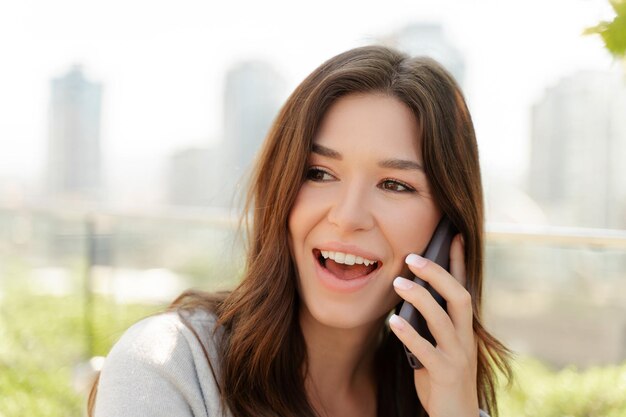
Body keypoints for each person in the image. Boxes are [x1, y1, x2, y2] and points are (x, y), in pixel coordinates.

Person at [88, 45, 511, 417]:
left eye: (395, 185)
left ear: (447, 231)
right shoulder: (170, 366)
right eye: (320, 173)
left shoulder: (441, 401)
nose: (348, 217)